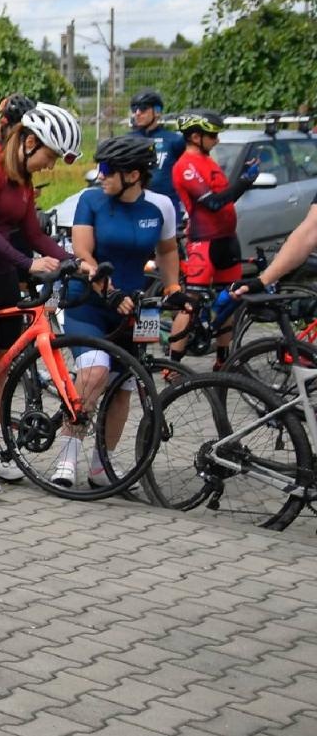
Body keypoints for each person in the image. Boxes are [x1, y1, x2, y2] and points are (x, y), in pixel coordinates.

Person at [0, 103, 86, 500]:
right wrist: (28, 264)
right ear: (28, 143)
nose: (50, 166)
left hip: (2, 279)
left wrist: (73, 261)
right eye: (49, 156)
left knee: (2, 373)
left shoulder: (22, 182)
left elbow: (35, 235)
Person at [56, 135, 180, 489]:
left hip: (137, 309)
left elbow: (168, 250)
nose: (101, 175)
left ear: (134, 174)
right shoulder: (91, 200)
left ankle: (101, 466)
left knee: (123, 386)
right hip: (90, 302)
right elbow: (82, 254)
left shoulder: (160, 206)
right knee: (94, 372)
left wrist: (173, 288)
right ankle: (67, 455)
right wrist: (108, 291)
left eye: (108, 169)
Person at [168, 110, 258, 367]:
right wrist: (243, 182)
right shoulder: (185, 166)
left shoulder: (209, 162)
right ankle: (173, 365)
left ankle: (223, 359)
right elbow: (214, 203)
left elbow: (229, 199)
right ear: (196, 136)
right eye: (213, 135)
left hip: (227, 239)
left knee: (230, 298)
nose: (217, 140)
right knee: (191, 303)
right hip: (203, 242)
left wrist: (244, 182)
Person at [129, 89, 185, 224]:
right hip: (135, 206)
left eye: (143, 108)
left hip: (167, 206)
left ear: (157, 111)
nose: (137, 113)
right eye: (134, 108)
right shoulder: (127, 140)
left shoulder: (174, 140)